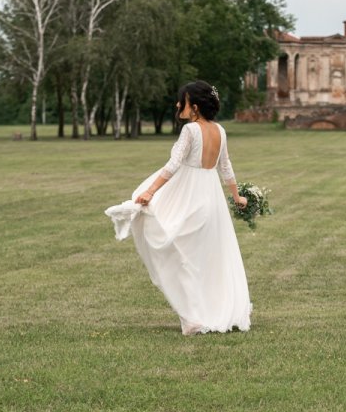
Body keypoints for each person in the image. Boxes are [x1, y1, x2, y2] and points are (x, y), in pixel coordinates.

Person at [105, 80, 252, 335]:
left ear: (194, 107)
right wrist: (237, 197)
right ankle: (199, 312)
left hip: (190, 194)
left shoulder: (191, 131)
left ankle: (192, 316)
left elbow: (173, 165)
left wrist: (151, 191)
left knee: (177, 249)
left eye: (181, 101)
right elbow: (225, 167)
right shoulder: (220, 130)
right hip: (211, 196)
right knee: (204, 256)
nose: (177, 105)